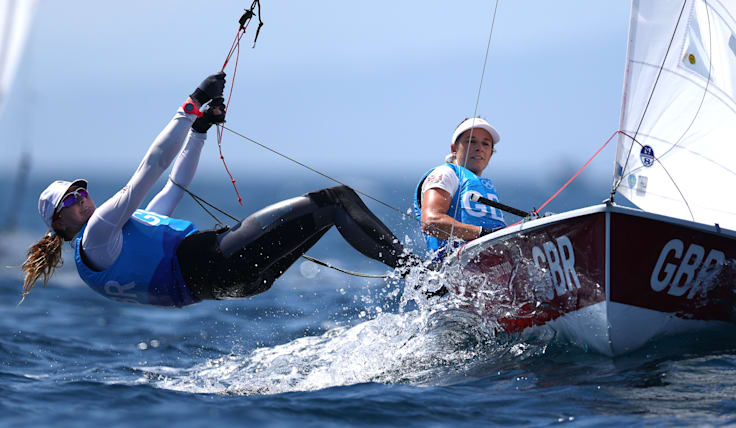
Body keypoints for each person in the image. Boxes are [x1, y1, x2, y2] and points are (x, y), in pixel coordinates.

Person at [21, 72, 416, 307]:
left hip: (236, 284)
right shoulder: (97, 233)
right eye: (70, 201)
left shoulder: (109, 247)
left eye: (81, 192)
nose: (82, 199)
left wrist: (200, 130)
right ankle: (421, 277)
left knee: (328, 213)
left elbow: (174, 185)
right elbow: (151, 168)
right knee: (337, 198)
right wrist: (190, 104)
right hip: (218, 263)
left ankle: (419, 278)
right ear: (59, 222)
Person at [413, 117, 507, 260]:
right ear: (454, 149)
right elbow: (430, 222)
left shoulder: (485, 186)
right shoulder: (446, 174)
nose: (479, 148)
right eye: (471, 141)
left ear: (491, 152)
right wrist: (482, 233)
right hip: (452, 266)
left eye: (486, 143)